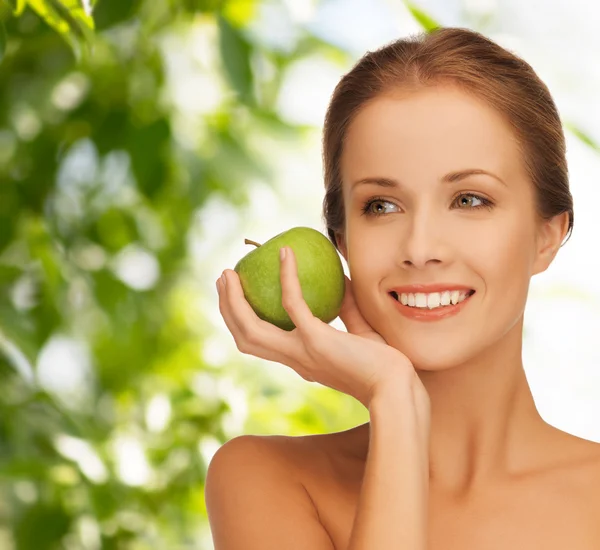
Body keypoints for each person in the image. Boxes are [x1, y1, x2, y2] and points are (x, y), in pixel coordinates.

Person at [206, 27, 600, 549]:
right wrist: (394, 401)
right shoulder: (269, 479)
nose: (420, 248)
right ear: (342, 241)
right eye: (382, 206)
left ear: (547, 235)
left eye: (469, 200)